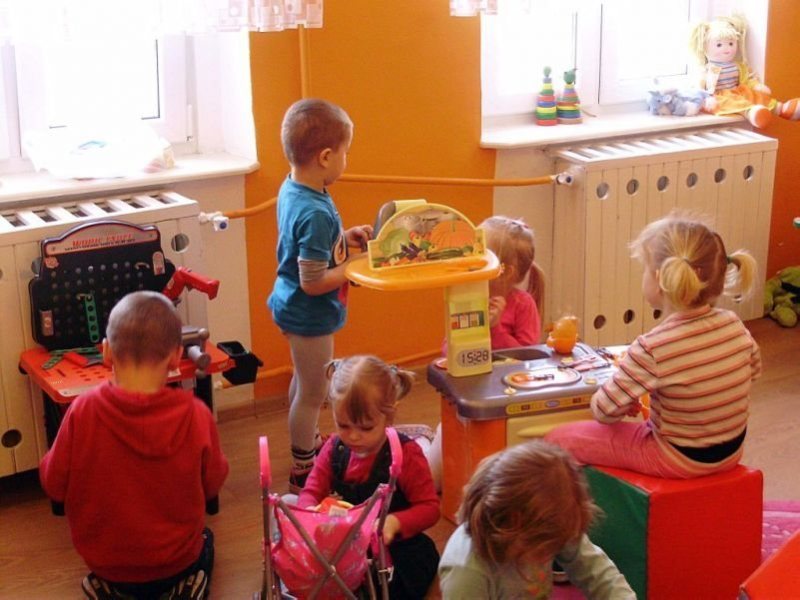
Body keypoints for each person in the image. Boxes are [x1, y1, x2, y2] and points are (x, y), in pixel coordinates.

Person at [39, 291, 229, 600]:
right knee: (206, 539)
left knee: (117, 571)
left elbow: (53, 482)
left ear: (106, 351)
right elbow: (213, 481)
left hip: (105, 562)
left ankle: (107, 588)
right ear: (175, 357)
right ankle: (188, 585)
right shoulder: (196, 415)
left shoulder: (82, 410)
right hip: (176, 560)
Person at [545, 213, 762, 478]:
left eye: (645, 269)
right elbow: (753, 371)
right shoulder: (734, 324)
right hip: (731, 452)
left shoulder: (652, 347)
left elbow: (604, 412)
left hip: (678, 458)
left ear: (659, 279)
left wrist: (621, 396)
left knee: (559, 439)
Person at [267, 98, 373, 493]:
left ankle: (307, 442)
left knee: (304, 380)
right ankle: (303, 468)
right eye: (346, 152)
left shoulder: (296, 187)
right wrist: (353, 267)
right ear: (326, 157)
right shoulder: (316, 211)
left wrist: (342, 240)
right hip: (308, 313)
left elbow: (307, 246)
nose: (347, 160)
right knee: (314, 393)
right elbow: (312, 280)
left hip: (290, 303)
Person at [298, 355, 441, 599]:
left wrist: (395, 523)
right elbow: (311, 491)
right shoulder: (334, 448)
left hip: (398, 550)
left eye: (366, 427)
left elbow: (430, 508)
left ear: (389, 417)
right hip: (347, 545)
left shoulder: (405, 454)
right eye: (343, 425)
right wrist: (310, 512)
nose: (353, 436)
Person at [438, 440, 635, 599]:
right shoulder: (466, 572)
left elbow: (596, 570)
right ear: (514, 525)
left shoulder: (546, 525)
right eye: (544, 550)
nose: (550, 553)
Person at [689, 14, 800, 128]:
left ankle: (781, 108)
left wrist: (756, 86)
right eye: (719, 45)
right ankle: (751, 112)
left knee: (755, 95)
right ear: (704, 46)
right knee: (731, 103)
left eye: (731, 43)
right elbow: (700, 86)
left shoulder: (738, 66)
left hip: (738, 91)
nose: (727, 49)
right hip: (719, 96)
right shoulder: (707, 69)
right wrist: (704, 97)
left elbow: (747, 79)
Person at [482, 215, 545, 349]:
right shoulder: (469, 296)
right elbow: (449, 347)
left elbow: (528, 355)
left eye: (482, 256)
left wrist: (494, 329)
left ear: (505, 272)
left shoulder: (523, 304)